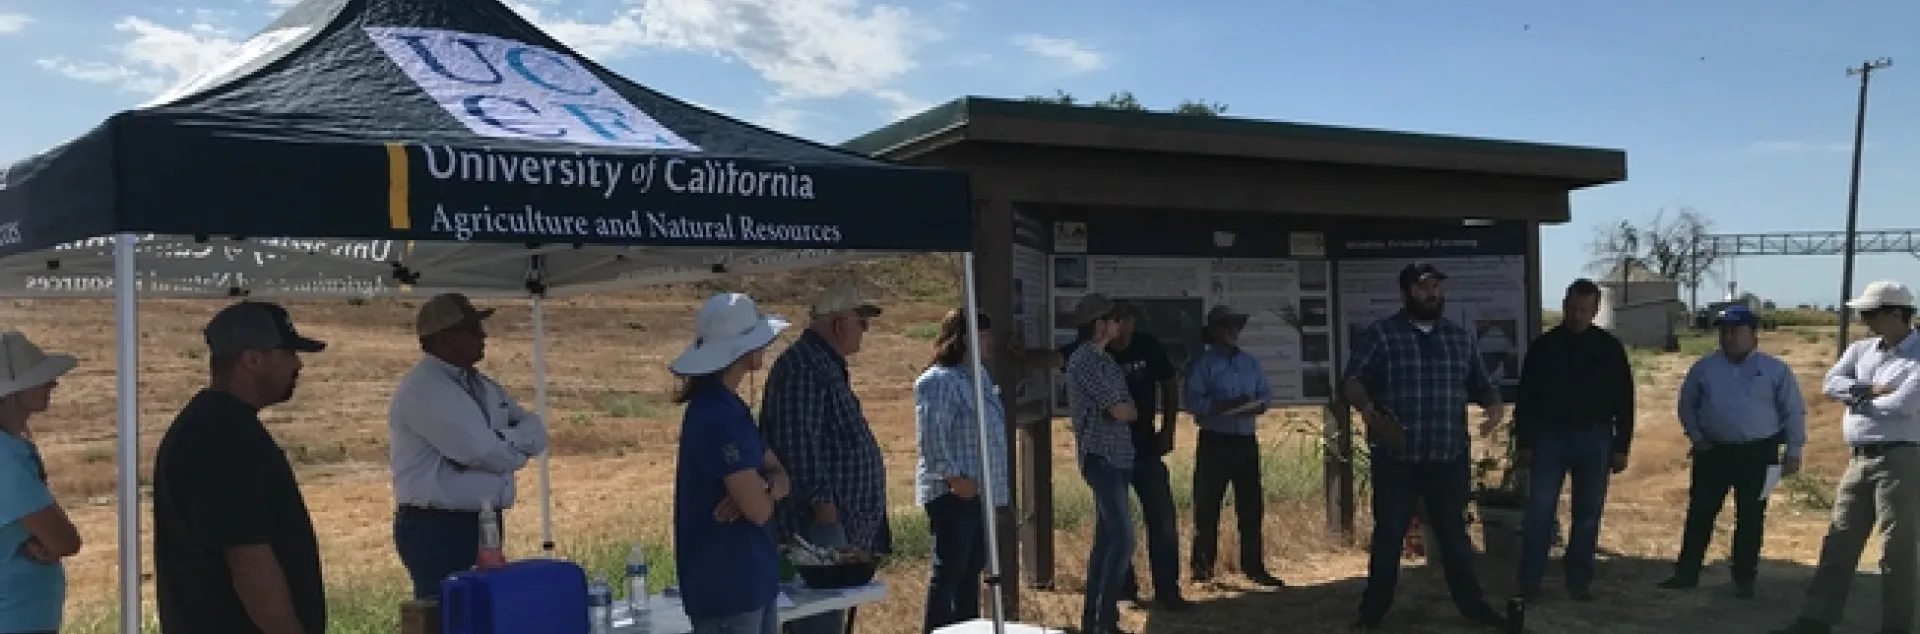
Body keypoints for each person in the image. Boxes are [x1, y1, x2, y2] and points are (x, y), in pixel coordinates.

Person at [1344, 263, 1508, 631]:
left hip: (1447, 458)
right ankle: (1371, 614)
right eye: (1423, 288)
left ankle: (1474, 609)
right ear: (1406, 293)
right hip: (1397, 460)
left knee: (1454, 539)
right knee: (1388, 539)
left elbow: (1483, 384)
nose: (1431, 293)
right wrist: (1368, 409)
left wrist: (1494, 406)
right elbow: (1353, 380)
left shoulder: (1458, 338)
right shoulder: (1383, 335)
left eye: (1435, 287)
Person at [153, 301, 328, 634]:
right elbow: (248, 559)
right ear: (253, 359)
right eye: (288, 352)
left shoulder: (215, 425)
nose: (298, 364)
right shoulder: (223, 436)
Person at [1007, 300, 1191, 610]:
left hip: (1144, 448)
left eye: (1122, 319)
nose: (1118, 325)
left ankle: (1167, 590)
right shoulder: (1090, 354)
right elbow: (1056, 360)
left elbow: (1169, 383)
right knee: (1115, 529)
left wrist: (1168, 428)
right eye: (1111, 319)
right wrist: (1023, 355)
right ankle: (1120, 591)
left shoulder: (1145, 346)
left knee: (1160, 520)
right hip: (1108, 454)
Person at [1772, 281, 1920, 634]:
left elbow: (1903, 405)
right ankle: (1816, 620)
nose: (1863, 319)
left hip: (1902, 459)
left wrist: (1855, 400)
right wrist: (1869, 391)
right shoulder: (1862, 350)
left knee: (1896, 551)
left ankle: (1896, 627)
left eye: (1870, 313)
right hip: (1860, 459)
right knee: (1839, 540)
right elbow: (1830, 383)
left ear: (1896, 314)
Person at [387, 293, 548, 599]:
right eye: (473, 330)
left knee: (479, 611)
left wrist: (500, 441)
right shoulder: (425, 390)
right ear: (444, 339)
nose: (483, 336)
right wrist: (510, 445)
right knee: (449, 614)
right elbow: (480, 451)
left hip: (480, 521)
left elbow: (536, 429)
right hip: (438, 528)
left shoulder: (480, 384)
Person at [761, 282, 891, 634]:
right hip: (816, 528)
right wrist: (825, 510)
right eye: (861, 322)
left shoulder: (822, 364)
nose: (866, 330)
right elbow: (798, 444)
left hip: (835, 527)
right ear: (838, 325)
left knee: (829, 618)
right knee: (817, 623)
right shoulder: (803, 368)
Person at [1659, 303, 1805, 598]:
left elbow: (1793, 412)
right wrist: (1697, 437)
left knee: (1751, 517)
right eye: (1724, 331)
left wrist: (1793, 451)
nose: (1729, 337)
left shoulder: (1775, 370)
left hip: (1760, 455)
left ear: (1753, 335)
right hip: (1713, 453)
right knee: (1700, 513)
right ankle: (1686, 574)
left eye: (1736, 331)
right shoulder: (1705, 368)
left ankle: (1744, 579)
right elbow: (1687, 403)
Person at [671, 293, 794, 634]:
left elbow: (779, 475)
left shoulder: (728, 407)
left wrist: (764, 487)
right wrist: (762, 491)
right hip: (729, 588)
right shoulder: (717, 415)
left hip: (750, 583)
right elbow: (757, 509)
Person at [1512, 279, 1635, 600]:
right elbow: (1526, 399)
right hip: (1549, 437)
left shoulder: (1609, 348)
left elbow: (1625, 400)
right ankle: (1530, 580)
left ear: (1594, 311)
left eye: (1584, 309)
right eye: (1572, 308)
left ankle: (1578, 580)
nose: (1577, 315)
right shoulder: (1544, 347)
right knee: (1539, 510)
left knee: (1588, 513)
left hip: (1595, 438)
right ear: (1565, 305)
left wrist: (1622, 446)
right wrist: (1524, 443)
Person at [914, 309, 1011, 632]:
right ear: (965, 339)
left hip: (981, 492)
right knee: (951, 571)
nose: (989, 342)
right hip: (955, 493)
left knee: (971, 572)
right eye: (982, 336)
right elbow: (932, 437)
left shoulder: (979, 375)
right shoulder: (938, 381)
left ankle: (965, 628)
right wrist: (955, 479)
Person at [1185, 304, 1285, 588]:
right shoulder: (1204, 364)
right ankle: (1202, 571)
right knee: (1208, 506)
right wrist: (1225, 406)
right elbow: (1194, 402)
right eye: (1227, 326)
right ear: (1214, 331)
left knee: (1251, 505)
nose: (1233, 331)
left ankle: (1253, 566)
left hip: (1245, 441)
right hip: (1215, 440)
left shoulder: (1250, 362)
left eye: (1236, 326)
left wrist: (1256, 406)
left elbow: (1264, 395)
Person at [1064, 294, 1140, 634]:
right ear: (1098, 326)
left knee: (1108, 541)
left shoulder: (1105, 360)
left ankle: (1095, 621)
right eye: (1113, 319)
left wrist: (1127, 409)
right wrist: (1126, 409)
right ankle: (1104, 620)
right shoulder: (1085, 361)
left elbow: (1129, 407)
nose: (1119, 324)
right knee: (1123, 539)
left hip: (1119, 457)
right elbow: (1119, 409)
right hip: (1101, 458)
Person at [0, 331, 79, 634]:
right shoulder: (5, 458)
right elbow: (65, 540)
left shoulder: (14, 450)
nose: (52, 383)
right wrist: (52, 542)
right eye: (39, 378)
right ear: (11, 393)